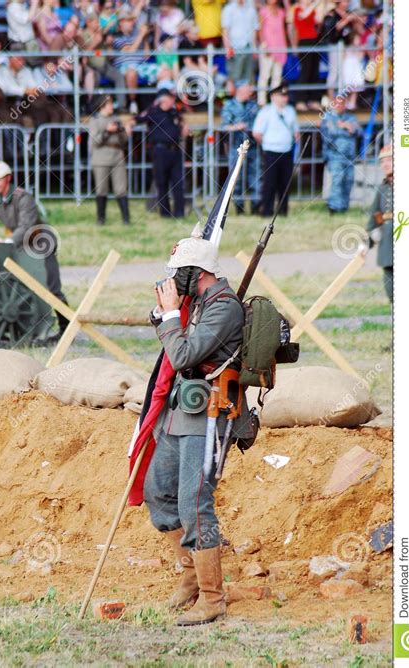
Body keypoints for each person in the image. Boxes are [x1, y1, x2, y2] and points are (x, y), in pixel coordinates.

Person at [144, 224, 253, 625]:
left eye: (180, 273)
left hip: (212, 413)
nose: (174, 280)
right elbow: (177, 348)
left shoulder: (223, 306)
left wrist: (172, 315)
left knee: (194, 503)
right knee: (159, 492)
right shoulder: (200, 302)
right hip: (184, 409)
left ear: (197, 273)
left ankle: (213, 598)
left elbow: (184, 352)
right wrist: (167, 315)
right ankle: (190, 577)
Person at [0, 155, 69, 336]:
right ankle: (29, 325)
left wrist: (8, 241)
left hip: (40, 244)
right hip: (21, 245)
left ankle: (66, 328)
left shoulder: (23, 197)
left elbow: (26, 226)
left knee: (50, 287)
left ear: (8, 178)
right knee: (20, 284)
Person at [127, 88, 189, 218]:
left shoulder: (174, 112)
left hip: (175, 150)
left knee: (178, 183)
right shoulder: (153, 112)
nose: (173, 102)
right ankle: (165, 213)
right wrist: (129, 125)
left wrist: (184, 126)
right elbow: (136, 119)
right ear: (164, 100)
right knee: (162, 183)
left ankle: (179, 213)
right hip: (160, 151)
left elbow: (182, 122)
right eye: (170, 99)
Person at [252, 82, 299, 217]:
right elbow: (257, 133)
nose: (284, 98)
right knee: (269, 183)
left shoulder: (290, 111)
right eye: (281, 95)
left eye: (285, 95)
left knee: (285, 183)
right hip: (271, 152)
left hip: (286, 151)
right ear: (273, 96)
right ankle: (266, 211)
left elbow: (295, 132)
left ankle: (283, 211)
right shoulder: (266, 112)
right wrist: (267, 145)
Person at [88, 95, 130, 225]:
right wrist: (107, 131)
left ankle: (126, 219)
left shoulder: (116, 119)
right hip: (101, 158)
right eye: (110, 104)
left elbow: (124, 141)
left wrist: (123, 131)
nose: (112, 106)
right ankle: (101, 219)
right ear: (103, 106)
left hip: (117, 156)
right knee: (101, 189)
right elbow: (96, 141)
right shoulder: (95, 121)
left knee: (121, 189)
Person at [221, 81, 260, 215]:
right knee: (236, 179)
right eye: (247, 90)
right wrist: (237, 126)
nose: (250, 93)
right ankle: (240, 209)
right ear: (239, 91)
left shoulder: (253, 105)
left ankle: (256, 208)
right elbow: (224, 127)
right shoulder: (229, 105)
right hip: (236, 148)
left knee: (255, 178)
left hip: (253, 147)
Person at [320, 94, 360, 213]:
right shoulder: (328, 118)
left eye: (342, 103)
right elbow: (331, 132)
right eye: (337, 103)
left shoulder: (351, 117)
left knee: (348, 180)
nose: (339, 105)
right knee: (337, 180)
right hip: (335, 155)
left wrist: (347, 127)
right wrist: (347, 128)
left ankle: (344, 207)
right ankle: (334, 207)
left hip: (350, 156)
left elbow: (358, 131)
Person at [366, 144, 393, 303]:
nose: (385, 164)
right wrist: (368, 239)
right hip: (387, 246)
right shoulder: (382, 188)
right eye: (382, 161)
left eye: (389, 159)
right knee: (391, 290)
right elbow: (376, 215)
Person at [290, 0, 323, 111]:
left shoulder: (312, 10)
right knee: (305, 71)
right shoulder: (297, 10)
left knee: (315, 71)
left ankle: (314, 100)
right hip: (304, 42)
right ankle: (300, 100)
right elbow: (303, 16)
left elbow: (319, 20)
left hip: (314, 41)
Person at [257, 0, 288, 107]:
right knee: (265, 75)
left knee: (277, 76)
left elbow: (284, 28)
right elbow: (260, 30)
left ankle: (275, 101)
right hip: (267, 47)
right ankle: (262, 102)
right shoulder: (263, 11)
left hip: (280, 46)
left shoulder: (281, 11)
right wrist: (264, 45)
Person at [222, 0, 259, 89]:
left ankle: (248, 100)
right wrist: (228, 48)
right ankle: (234, 100)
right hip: (234, 48)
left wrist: (254, 49)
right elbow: (225, 30)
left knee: (249, 77)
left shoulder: (251, 9)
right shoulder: (228, 9)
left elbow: (254, 30)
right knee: (235, 77)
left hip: (248, 47)